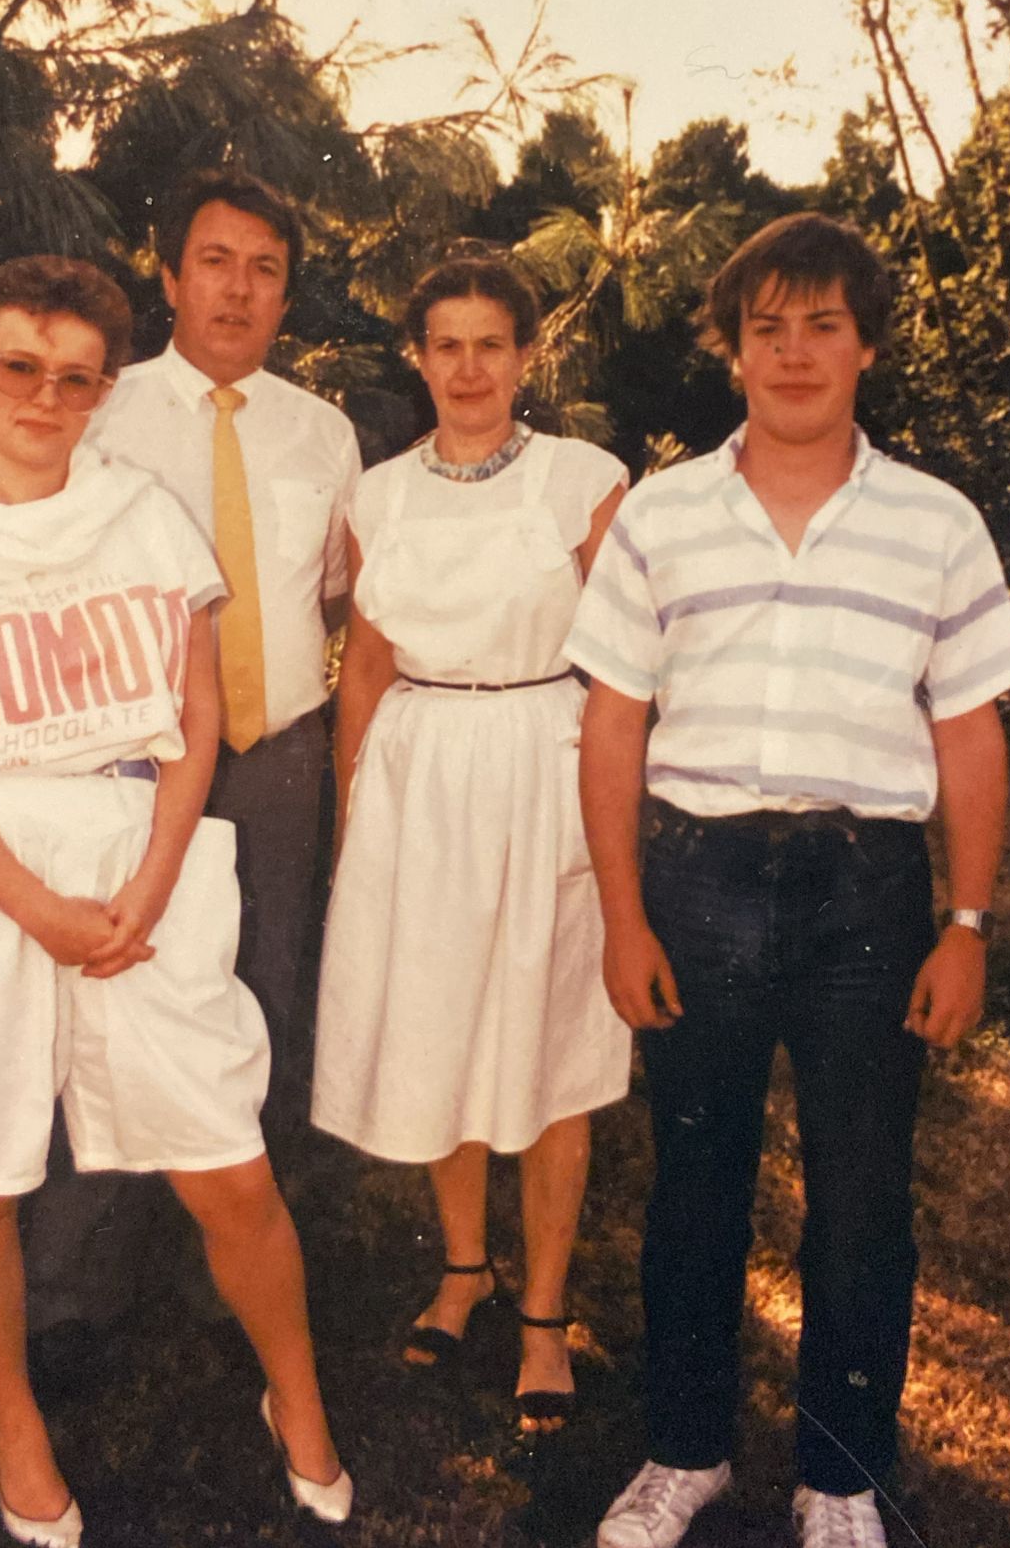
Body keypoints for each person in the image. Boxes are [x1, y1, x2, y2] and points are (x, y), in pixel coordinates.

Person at [0, 256, 351, 1544]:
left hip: (143, 857)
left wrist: (153, 875)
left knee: (228, 1165)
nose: (44, 396)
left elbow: (194, 717)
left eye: (75, 377)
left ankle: (295, 1399)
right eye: (18, 365)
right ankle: (15, 1426)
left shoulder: (141, 519)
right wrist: (37, 907)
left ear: (101, 391)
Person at [567, 214, 1010, 1548]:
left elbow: (965, 731)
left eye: (818, 323)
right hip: (694, 880)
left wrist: (961, 922)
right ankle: (684, 1450)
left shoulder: (932, 523)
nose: (790, 350)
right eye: (762, 325)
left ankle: (838, 1473)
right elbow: (610, 724)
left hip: (864, 896)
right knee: (692, 1184)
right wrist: (620, 912)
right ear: (729, 349)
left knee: (859, 1192)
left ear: (863, 344)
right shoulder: (658, 514)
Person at [22, 168, 360, 1369]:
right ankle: (75, 1283)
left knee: (261, 995)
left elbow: (324, 593)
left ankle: (231, 1280)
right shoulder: (100, 417)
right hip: (131, 755)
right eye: (214, 260)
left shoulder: (323, 432)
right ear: (167, 278)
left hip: (277, 755)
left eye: (265, 268)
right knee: (108, 994)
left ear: (285, 295)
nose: (239, 287)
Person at [311, 253, 632, 1430]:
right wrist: (356, 817)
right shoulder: (382, 494)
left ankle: (542, 1310)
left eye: (489, 342)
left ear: (527, 354)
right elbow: (368, 667)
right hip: (420, 772)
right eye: (443, 344)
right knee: (441, 1020)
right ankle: (463, 1266)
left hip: (544, 757)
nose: (466, 367)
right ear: (417, 355)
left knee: (548, 1039)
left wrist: (613, 806)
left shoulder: (580, 480)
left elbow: (628, 659)